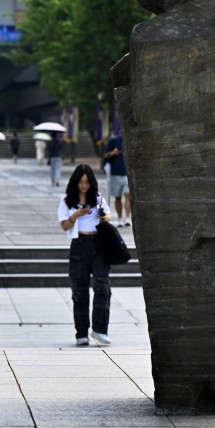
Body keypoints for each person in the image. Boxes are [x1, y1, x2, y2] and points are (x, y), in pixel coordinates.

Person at [58, 164, 112, 347]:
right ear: (75, 182)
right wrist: (76, 216)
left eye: (87, 182)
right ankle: (81, 333)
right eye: (81, 182)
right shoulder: (67, 201)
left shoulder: (97, 199)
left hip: (98, 244)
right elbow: (64, 226)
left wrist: (104, 217)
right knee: (79, 290)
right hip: (79, 245)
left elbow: (108, 215)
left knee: (102, 287)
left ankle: (100, 330)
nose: (84, 186)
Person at [103, 134, 132, 227]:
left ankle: (127, 218)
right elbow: (106, 155)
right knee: (118, 197)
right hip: (115, 173)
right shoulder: (113, 141)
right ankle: (120, 218)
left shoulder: (131, 139)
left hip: (127, 174)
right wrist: (113, 153)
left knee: (128, 196)